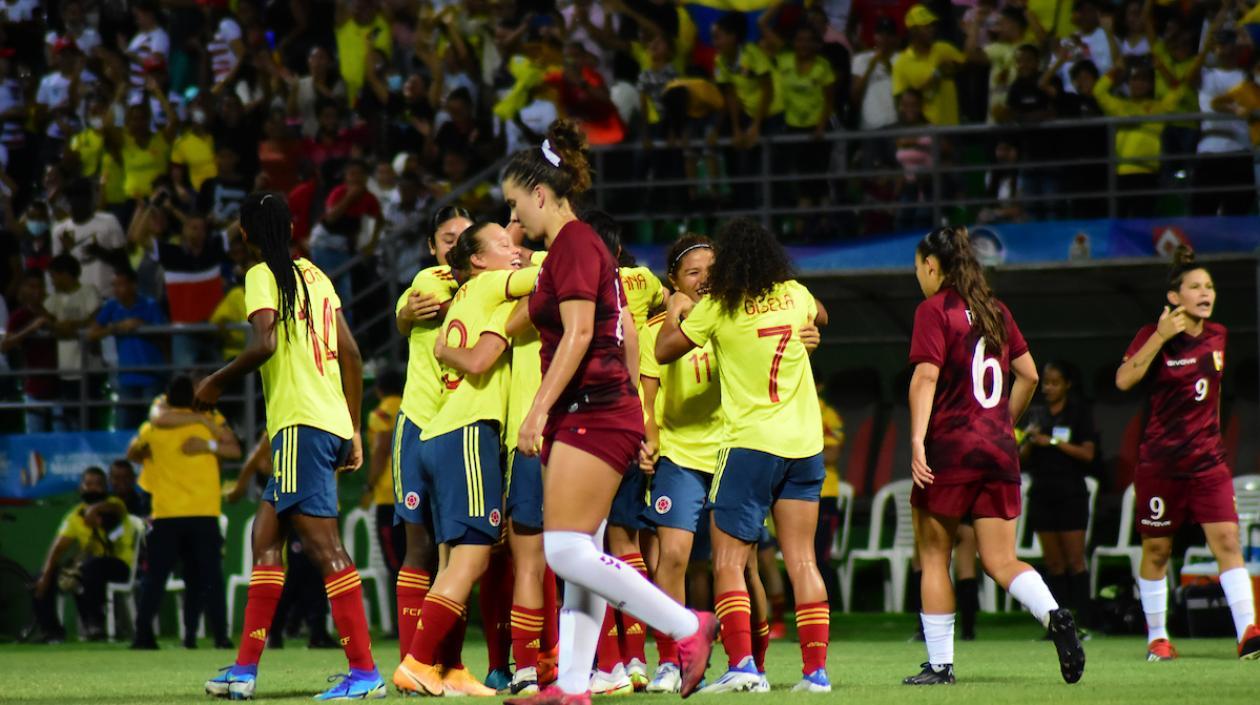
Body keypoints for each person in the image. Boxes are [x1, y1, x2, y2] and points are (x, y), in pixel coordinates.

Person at [499, 120, 717, 705]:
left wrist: (536, 411)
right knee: (581, 553)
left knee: (563, 550)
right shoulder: (574, 247)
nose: (514, 222)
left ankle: (686, 627)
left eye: (517, 207)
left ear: (541, 194)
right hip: (597, 409)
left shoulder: (571, 244)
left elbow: (575, 336)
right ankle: (573, 686)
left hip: (595, 409)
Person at [199, 192, 387, 700]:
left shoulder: (262, 275)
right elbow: (351, 352)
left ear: (245, 233)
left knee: (327, 549)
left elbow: (264, 345)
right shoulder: (318, 277)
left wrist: (215, 381)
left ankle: (365, 672)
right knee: (265, 539)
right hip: (319, 423)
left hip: (302, 426)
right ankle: (244, 670)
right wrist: (350, 425)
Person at [902, 226, 1084, 686]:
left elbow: (924, 378)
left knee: (934, 553)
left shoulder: (933, 310)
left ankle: (941, 665)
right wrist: (1002, 422)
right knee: (1002, 561)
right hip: (999, 450)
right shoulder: (995, 310)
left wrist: (917, 440)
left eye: (918, 267)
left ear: (930, 266)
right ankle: (1056, 615)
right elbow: (1029, 375)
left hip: (951, 447)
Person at [655, 217, 830, 693]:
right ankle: (816, 673)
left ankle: (743, 668)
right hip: (805, 447)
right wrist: (809, 332)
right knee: (804, 562)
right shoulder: (794, 294)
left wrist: (678, 310)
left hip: (750, 446)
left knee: (728, 562)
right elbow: (822, 314)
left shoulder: (719, 306)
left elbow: (665, 348)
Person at [393, 221, 538, 697]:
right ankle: (417, 660)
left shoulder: (462, 298)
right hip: (467, 435)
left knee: (453, 558)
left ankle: (446, 668)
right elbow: (550, 275)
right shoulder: (491, 284)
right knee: (473, 559)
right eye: (503, 245)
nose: (514, 251)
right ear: (477, 261)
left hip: (440, 434)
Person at [638, 233, 774, 694]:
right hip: (680, 454)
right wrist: (650, 438)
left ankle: (751, 662)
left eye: (711, 271)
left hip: (733, 451)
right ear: (673, 279)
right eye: (693, 272)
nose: (704, 280)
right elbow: (649, 388)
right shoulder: (658, 325)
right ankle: (672, 660)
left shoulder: (736, 318)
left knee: (743, 565)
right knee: (671, 558)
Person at [1115, 247, 1260, 661]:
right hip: (1161, 463)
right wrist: (1160, 336)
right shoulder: (1152, 333)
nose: (1205, 293)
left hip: (1207, 462)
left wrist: (1213, 438)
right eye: (1195, 286)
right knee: (1157, 551)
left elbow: (1211, 397)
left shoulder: (1219, 335)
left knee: (1227, 541)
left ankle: (1248, 632)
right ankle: (1157, 638)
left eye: (1209, 286)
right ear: (1175, 296)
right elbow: (1124, 380)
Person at [391, 206, 466, 666]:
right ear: (433, 246)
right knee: (418, 545)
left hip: (464, 425)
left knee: (461, 550)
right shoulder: (430, 277)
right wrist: (403, 312)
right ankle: (410, 660)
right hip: (419, 421)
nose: (455, 244)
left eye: (465, 236)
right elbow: (408, 311)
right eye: (447, 237)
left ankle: (446, 662)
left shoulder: (489, 278)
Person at [127, 375, 240, 650]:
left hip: (167, 515)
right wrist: (208, 441)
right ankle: (219, 637)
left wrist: (147, 455)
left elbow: (132, 452)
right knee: (209, 578)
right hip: (203, 513)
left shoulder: (153, 428)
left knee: (156, 578)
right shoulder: (209, 422)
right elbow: (235, 450)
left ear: (166, 396)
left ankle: (143, 637)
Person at [1020, 360, 1096, 630]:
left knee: (1075, 560)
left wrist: (1052, 442)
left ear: (1067, 384)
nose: (1048, 388)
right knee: (1053, 563)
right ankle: (1059, 624)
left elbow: (1087, 454)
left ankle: (1085, 622)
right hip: (1042, 493)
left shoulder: (1079, 413)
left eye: (1054, 382)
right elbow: (1020, 458)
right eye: (1046, 383)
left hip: (1071, 493)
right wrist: (1030, 440)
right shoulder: (1036, 413)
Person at [31, 467, 137, 643]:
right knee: (41, 575)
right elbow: (57, 548)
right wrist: (45, 576)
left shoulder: (116, 504)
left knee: (91, 567)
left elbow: (115, 510)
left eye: (99, 484)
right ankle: (51, 631)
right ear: (81, 488)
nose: (94, 488)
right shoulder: (74, 516)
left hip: (120, 565)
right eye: (89, 484)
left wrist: (94, 509)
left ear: (106, 487)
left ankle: (95, 623)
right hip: (89, 568)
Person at [87, 267, 166, 429]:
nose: (116, 290)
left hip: (152, 377)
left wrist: (143, 326)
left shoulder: (150, 305)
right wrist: (116, 327)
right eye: (114, 285)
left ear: (133, 285)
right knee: (124, 427)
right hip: (127, 378)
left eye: (121, 285)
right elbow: (91, 334)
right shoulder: (112, 306)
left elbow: (165, 334)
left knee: (155, 427)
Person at [361, 367, 404, 582]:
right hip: (414, 493)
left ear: (378, 390)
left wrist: (369, 485)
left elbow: (380, 450)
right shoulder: (411, 409)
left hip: (388, 496)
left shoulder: (380, 414)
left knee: (396, 565)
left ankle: (407, 614)